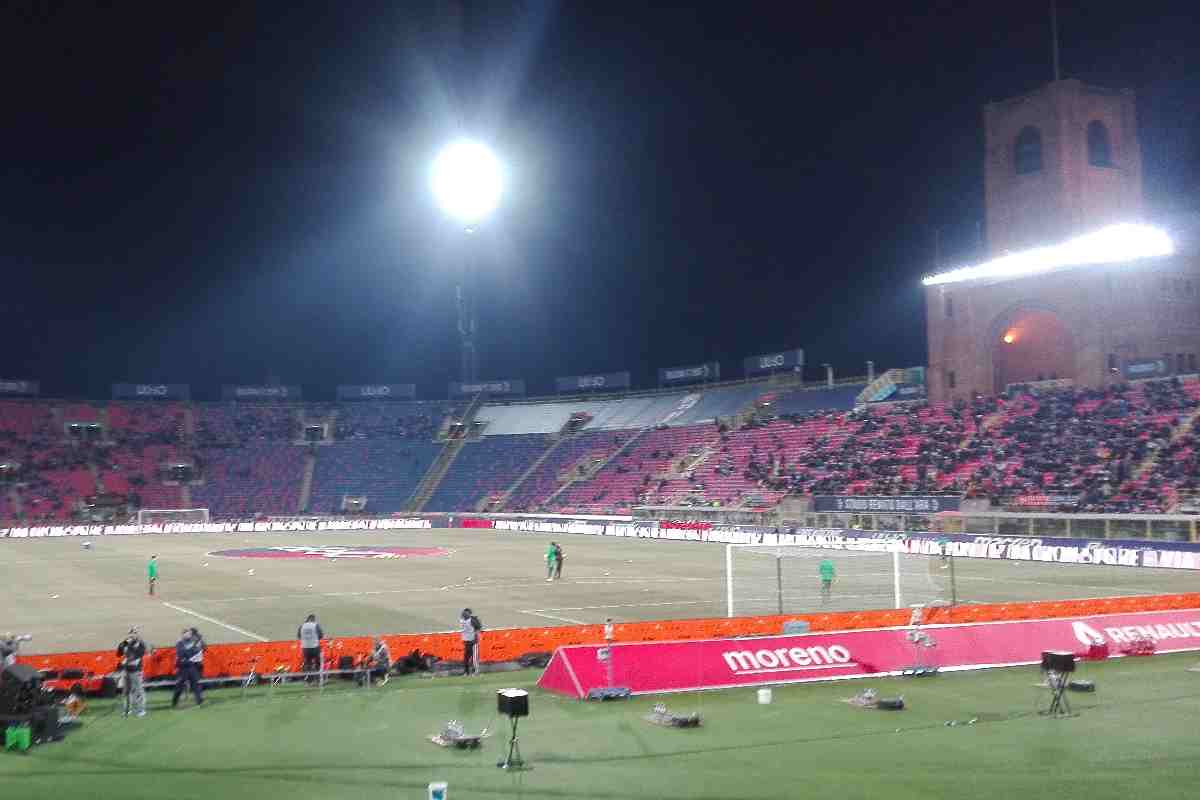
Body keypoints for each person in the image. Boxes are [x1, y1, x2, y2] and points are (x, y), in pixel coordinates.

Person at [116, 627, 148, 717]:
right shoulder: (126, 643)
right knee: (126, 691)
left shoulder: (140, 644)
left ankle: (140, 710)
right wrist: (121, 645)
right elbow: (118, 654)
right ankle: (127, 710)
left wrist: (125, 660)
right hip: (126, 671)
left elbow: (136, 656)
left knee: (138, 690)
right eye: (131, 633)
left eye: (134, 633)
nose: (132, 635)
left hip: (136, 671)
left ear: (137, 634)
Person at [171, 628, 204, 707]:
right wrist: (189, 653)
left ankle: (199, 702)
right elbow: (180, 653)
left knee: (196, 684)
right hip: (183, 668)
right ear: (183, 635)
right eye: (187, 634)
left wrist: (190, 653)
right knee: (179, 686)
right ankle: (174, 702)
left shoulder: (193, 642)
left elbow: (197, 651)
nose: (189, 635)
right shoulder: (179, 643)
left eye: (189, 634)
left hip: (192, 667)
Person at [298, 614, 324, 681]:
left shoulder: (302, 626)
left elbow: (299, 636)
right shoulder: (315, 625)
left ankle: (309, 680)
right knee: (318, 663)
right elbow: (321, 635)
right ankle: (318, 679)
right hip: (314, 647)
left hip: (305, 648)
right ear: (313, 619)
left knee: (308, 664)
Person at [459, 608, 482, 676]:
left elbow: (478, 629)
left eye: (466, 613)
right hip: (466, 642)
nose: (464, 614)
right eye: (464, 613)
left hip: (473, 642)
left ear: (469, 613)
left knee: (474, 658)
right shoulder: (462, 620)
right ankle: (466, 672)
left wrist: (476, 636)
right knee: (466, 658)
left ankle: (476, 672)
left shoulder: (473, 620)